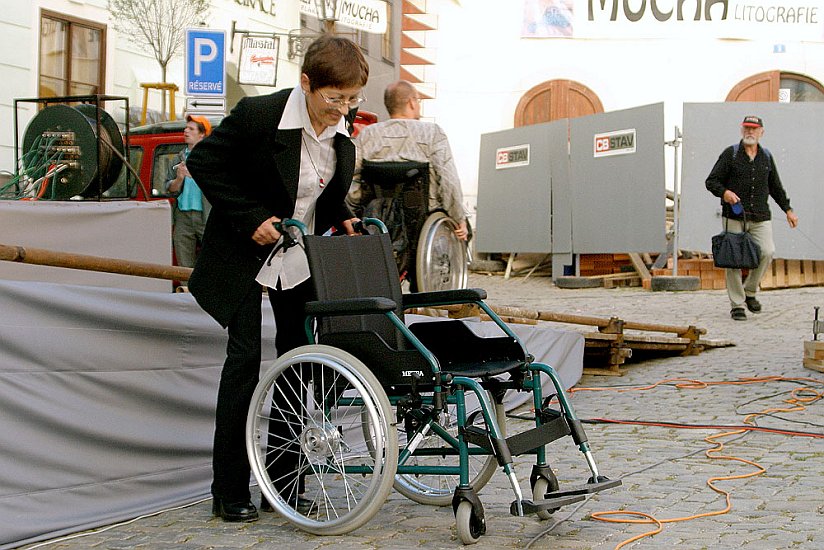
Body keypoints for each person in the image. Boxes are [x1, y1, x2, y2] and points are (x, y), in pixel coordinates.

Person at [185, 35, 368, 522]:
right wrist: (251, 217)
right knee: (244, 361)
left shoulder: (341, 137)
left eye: (352, 99)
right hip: (243, 255)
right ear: (306, 83)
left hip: (296, 260)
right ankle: (228, 489)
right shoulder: (259, 116)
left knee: (298, 366)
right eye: (334, 98)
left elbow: (315, 193)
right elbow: (202, 163)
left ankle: (282, 485)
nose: (343, 109)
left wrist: (343, 214)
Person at [348, 80, 468, 242]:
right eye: (418, 101)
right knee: (462, 230)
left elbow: (352, 183)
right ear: (411, 102)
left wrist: (354, 212)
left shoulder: (367, 135)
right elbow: (448, 181)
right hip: (424, 225)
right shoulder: (432, 133)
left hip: (376, 221)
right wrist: (458, 217)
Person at [705, 115, 798, 321]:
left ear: (761, 132)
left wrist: (788, 210)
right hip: (734, 217)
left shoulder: (766, 156)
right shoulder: (731, 154)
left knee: (767, 251)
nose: (750, 132)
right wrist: (725, 193)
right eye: (747, 128)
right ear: (741, 130)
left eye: (754, 129)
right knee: (733, 261)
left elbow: (775, 187)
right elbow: (711, 181)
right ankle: (737, 304)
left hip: (760, 216)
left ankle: (750, 291)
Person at [164, 114, 212, 271]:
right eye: (186, 128)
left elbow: (221, 187)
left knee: (211, 260)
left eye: (191, 129)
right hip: (183, 217)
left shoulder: (212, 158)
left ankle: (208, 293)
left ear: (202, 134)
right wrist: (179, 178)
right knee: (184, 263)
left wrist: (198, 176)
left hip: (206, 216)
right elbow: (168, 189)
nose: (186, 131)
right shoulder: (178, 158)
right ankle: (186, 293)